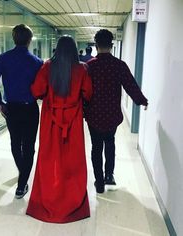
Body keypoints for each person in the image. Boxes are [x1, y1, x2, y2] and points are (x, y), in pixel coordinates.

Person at [26, 36, 92, 223]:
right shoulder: (81, 69)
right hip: (73, 120)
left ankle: (48, 199)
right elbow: (88, 93)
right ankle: (72, 201)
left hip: (51, 120)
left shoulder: (47, 67)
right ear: (74, 49)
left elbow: (37, 91)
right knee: (73, 160)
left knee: (48, 158)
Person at [84, 29, 148, 194]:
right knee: (110, 143)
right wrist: (141, 100)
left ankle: (99, 182)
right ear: (111, 45)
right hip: (112, 114)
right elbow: (130, 85)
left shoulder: (89, 67)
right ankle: (109, 176)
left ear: (96, 45)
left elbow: (82, 91)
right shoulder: (119, 65)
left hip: (94, 114)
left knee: (96, 147)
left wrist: (82, 110)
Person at [0, 24, 43, 199]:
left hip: (11, 107)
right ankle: (22, 183)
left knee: (15, 143)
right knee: (28, 146)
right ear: (29, 40)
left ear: (13, 39)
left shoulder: (3, 58)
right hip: (30, 109)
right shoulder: (36, 62)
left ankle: (22, 173)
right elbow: (41, 88)